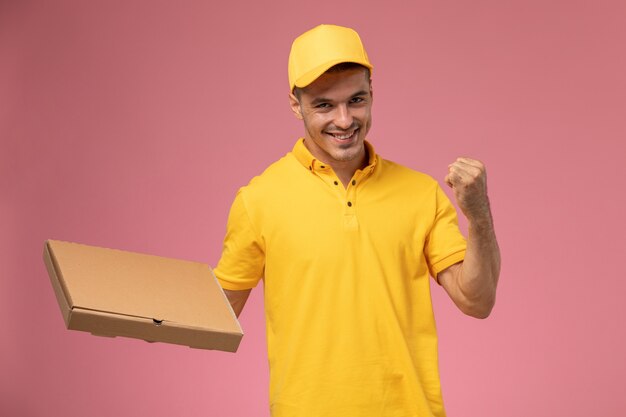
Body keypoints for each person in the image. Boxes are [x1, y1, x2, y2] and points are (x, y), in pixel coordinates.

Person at [214, 24, 500, 417]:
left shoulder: (420, 193)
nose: (345, 120)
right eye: (324, 105)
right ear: (296, 105)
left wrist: (479, 216)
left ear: (372, 93)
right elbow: (215, 315)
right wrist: (143, 315)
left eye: (356, 99)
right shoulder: (258, 200)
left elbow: (477, 300)